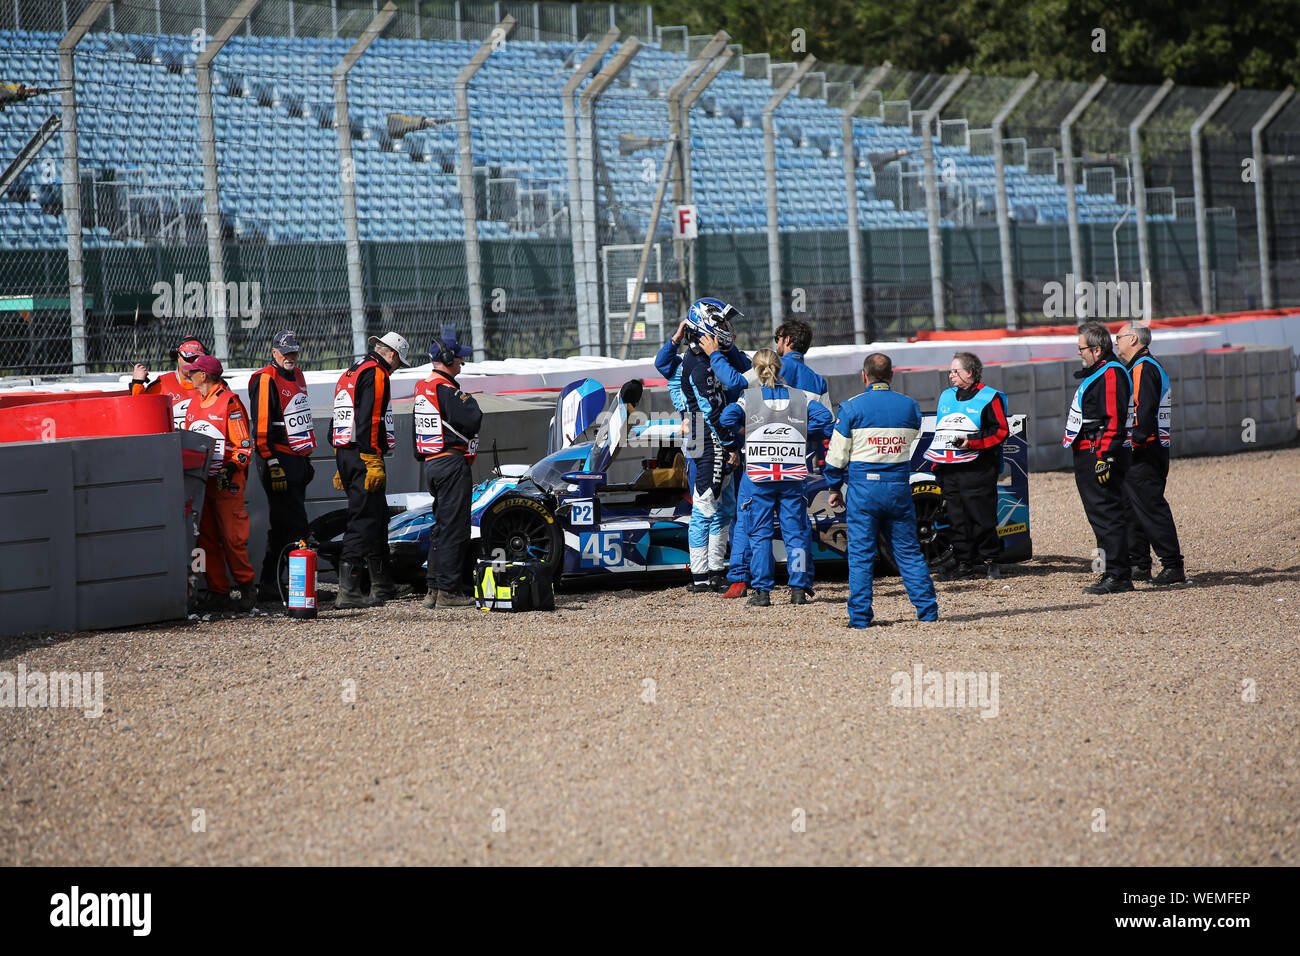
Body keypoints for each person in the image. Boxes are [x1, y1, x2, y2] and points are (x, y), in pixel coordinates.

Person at [704, 318, 832, 599]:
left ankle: (761, 591)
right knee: (796, 532)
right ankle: (799, 587)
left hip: (759, 473)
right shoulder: (800, 396)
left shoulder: (749, 397)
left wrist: (749, 429)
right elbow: (826, 421)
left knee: (758, 533)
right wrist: (797, 429)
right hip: (792, 471)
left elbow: (725, 417)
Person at [823, 353, 938, 629]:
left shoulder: (851, 408)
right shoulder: (909, 407)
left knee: (861, 555)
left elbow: (836, 456)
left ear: (864, 376)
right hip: (898, 484)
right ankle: (928, 612)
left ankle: (860, 618)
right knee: (909, 552)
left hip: (864, 488)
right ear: (892, 375)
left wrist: (834, 486)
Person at [653, 297, 750, 593]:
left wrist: (724, 348)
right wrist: (677, 337)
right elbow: (662, 364)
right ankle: (701, 575)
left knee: (723, 507)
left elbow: (744, 369)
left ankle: (714, 570)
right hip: (703, 435)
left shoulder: (715, 357)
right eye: (720, 322)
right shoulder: (691, 363)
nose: (726, 328)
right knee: (706, 505)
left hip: (716, 434)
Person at [331, 330, 412, 609]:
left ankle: (382, 584)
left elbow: (339, 419)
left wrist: (339, 460)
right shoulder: (377, 373)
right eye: (399, 363)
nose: (397, 368)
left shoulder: (349, 373)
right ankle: (349, 590)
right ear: (391, 354)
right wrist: (371, 458)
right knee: (363, 518)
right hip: (364, 455)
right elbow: (370, 418)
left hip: (346, 452)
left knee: (377, 516)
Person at [923, 351, 1010, 581]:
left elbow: (1000, 431)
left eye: (955, 371)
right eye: (950, 371)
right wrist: (937, 463)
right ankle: (964, 563)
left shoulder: (990, 397)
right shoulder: (946, 396)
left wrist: (972, 442)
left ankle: (991, 561)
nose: (950, 375)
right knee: (956, 518)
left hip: (978, 469)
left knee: (982, 517)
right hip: (950, 468)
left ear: (970, 372)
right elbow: (941, 431)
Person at [414, 327, 483, 609]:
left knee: (441, 527)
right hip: (451, 463)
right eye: (458, 359)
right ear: (446, 358)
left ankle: (433, 588)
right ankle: (449, 591)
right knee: (455, 528)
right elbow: (474, 417)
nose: (462, 364)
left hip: (431, 464)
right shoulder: (446, 391)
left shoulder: (423, 390)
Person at [181, 355, 256, 612]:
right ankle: (218, 591)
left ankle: (247, 588)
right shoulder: (193, 403)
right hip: (202, 482)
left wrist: (231, 468)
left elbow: (244, 448)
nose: (189, 375)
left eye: (193, 372)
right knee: (206, 539)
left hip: (226, 481)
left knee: (232, 537)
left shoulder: (230, 403)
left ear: (204, 375)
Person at [248, 330, 317, 601]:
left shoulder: (298, 375)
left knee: (294, 523)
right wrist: (272, 461)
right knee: (288, 522)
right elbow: (261, 426)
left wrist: (306, 457)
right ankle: (271, 581)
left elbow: (301, 417)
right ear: (274, 352)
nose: (290, 356)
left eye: (294, 351)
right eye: (285, 351)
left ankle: (281, 581)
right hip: (277, 457)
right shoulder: (265, 379)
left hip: (296, 457)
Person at [1065, 321, 1134, 595]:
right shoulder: (1100, 372)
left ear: (1096, 349)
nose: (1079, 353)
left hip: (1097, 451)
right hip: (1088, 451)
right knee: (1100, 514)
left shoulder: (1110, 374)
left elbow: (1114, 419)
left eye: (1081, 348)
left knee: (1107, 513)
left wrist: (1104, 455)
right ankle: (1111, 571)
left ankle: (1118, 575)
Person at [1115, 321, 1186, 584]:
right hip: (1147, 447)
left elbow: (1142, 412)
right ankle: (1140, 564)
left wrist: (1133, 444)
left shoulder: (1143, 367)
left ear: (1133, 339)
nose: (1115, 342)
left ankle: (1172, 565)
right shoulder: (1141, 366)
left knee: (1150, 506)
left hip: (1144, 449)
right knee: (1131, 507)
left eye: (1119, 337)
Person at [129, 336, 207, 430]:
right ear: (178, 357)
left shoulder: (215, 383)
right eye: (189, 359)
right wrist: (137, 383)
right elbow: (137, 412)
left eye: (198, 359)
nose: (194, 363)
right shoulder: (162, 384)